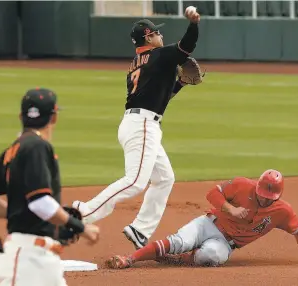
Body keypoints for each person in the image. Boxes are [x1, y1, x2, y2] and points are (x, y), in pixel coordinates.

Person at [72, 7, 201, 250]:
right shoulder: (161, 55)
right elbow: (187, 46)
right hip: (142, 126)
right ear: (149, 37)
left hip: (138, 122)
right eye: (157, 34)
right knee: (135, 182)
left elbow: (158, 97)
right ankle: (82, 212)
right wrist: (194, 23)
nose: (161, 37)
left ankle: (140, 229)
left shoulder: (136, 64)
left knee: (164, 178)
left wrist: (180, 83)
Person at [0, 88, 100, 286]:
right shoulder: (38, 146)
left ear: (21, 117)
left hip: (39, 260)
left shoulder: (13, 151)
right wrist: (80, 227)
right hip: (26, 261)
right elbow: (40, 202)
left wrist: (20, 215)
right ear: (54, 117)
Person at [105, 169, 298, 269]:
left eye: (269, 198)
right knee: (178, 242)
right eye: (261, 195)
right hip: (208, 224)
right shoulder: (241, 185)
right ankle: (129, 259)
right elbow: (212, 193)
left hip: (224, 244)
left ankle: (177, 259)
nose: (263, 200)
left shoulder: (282, 211)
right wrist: (230, 208)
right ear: (257, 187)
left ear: (278, 196)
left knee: (210, 257)